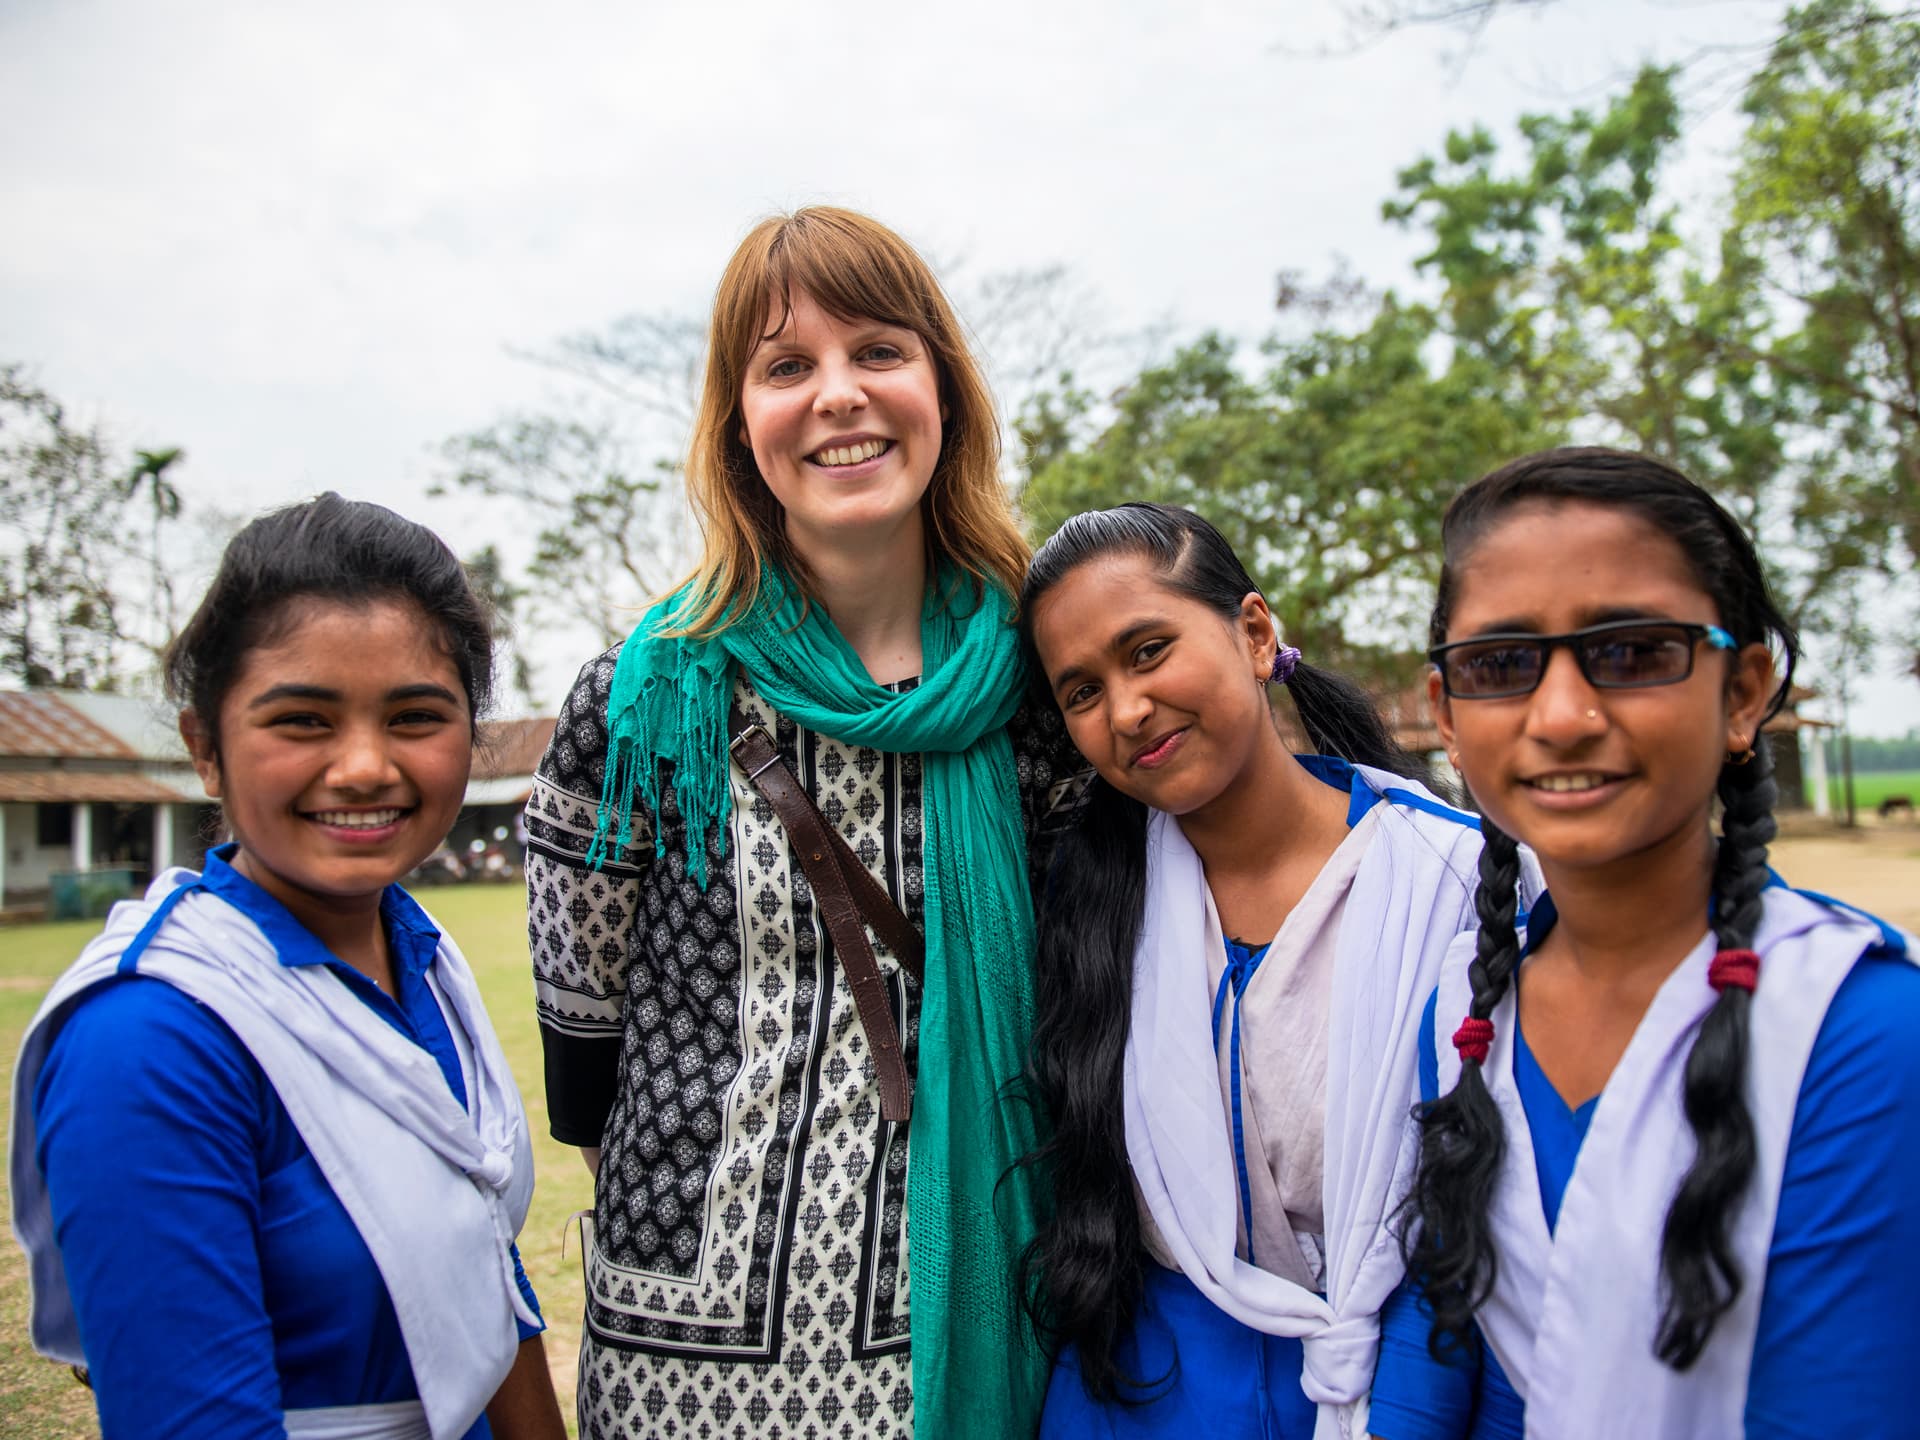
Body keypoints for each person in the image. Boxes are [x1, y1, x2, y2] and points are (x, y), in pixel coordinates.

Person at [525, 206, 1086, 1439]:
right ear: (739, 423)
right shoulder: (644, 699)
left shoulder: (1045, 686)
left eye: (880, 351)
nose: (839, 394)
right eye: (787, 367)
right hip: (689, 1349)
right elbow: (580, 1052)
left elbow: (1094, 996)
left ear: (944, 388)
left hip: (977, 1310)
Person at [1369, 448, 1920, 1440]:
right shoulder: (1464, 1009)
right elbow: (1441, 1322)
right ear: (1447, 715)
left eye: (1633, 652)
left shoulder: (1862, 1035)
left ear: (1745, 692)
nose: (1565, 717)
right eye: (1500, 665)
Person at [11, 495, 565, 1440]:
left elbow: (483, 1266)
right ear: (205, 748)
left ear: (471, 744)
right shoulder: (149, 1043)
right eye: (303, 720)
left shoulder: (421, 954)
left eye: (414, 716)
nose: (363, 766)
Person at [1018, 502, 1498, 1440]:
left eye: (1149, 649)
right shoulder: (1089, 900)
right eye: (1080, 692)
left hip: (1411, 1378)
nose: (1125, 710)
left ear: (1253, 630)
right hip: (1141, 1390)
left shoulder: (1450, 882)